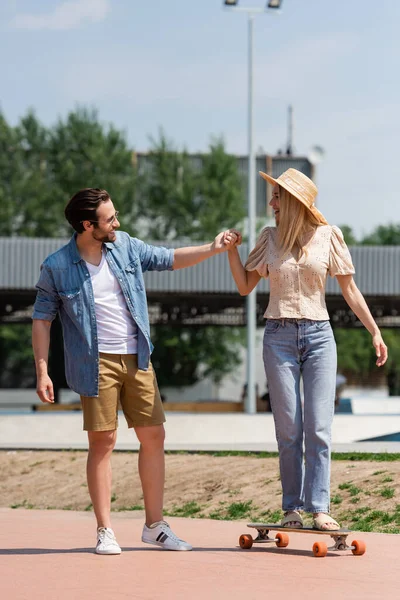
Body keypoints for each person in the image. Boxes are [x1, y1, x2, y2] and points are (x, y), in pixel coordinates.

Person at [32, 187, 238, 554]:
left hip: (138, 358)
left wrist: (213, 248)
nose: (117, 223)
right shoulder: (58, 266)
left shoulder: (124, 245)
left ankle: (155, 526)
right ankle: (105, 530)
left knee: (154, 437)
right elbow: (42, 320)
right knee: (103, 443)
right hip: (95, 364)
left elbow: (168, 258)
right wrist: (42, 371)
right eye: (110, 219)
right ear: (86, 225)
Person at [227, 168, 387, 530]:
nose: (271, 203)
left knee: (319, 427)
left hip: (319, 337)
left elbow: (350, 290)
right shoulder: (269, 238)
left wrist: (375, 332)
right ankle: (292, 510)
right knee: (289, 429)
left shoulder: (329, 237)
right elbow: (243, 286)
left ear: (295, 202)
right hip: (278, 336)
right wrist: (232, 252)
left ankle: (320, 508)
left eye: (277, 196)